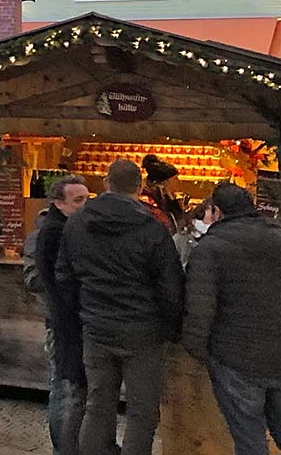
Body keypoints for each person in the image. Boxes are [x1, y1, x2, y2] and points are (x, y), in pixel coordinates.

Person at [59, 159, 184, 455]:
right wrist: (172, 328)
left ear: (105, 183)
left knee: (98, 406)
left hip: (97, 327)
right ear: (139, 187)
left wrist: (82, 313)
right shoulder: (152, 227)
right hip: (143, 331)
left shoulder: (77, 223)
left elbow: (64, 276)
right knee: (142, 412)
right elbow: (171, 287)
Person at [183, 183, 281, 455]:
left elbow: (200, 309)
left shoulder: (210, 249)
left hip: (236, 358)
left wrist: (197, 350)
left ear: (216, 211)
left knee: (249, 438)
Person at [26, 175, 90, 455]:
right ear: (59, 202)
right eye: (78, 200)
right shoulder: (52, 232)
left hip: (70, 320)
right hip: (64, 322)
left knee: (71, 388)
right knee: (67, 388)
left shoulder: (71, 228)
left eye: (88, 199)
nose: (85, 206)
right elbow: (45, 279)